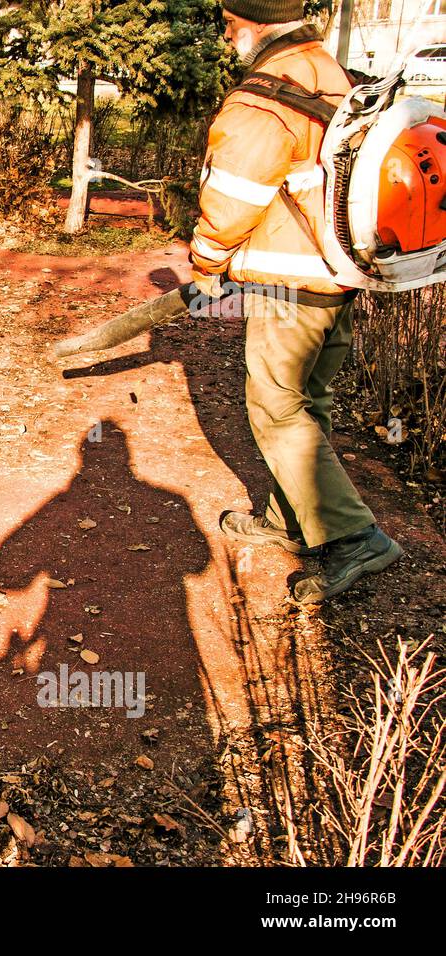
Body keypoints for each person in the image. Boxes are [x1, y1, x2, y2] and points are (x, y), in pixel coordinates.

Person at [192, 0, 401, 603]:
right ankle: (292, 519)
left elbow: (233, 197)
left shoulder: (261, 98)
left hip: (291, 280)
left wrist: (206, 258)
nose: (229, 37)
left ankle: (354, 537)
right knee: (309, 401)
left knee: (276, 409)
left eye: (229, 27)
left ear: (249, 26)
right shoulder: (328, 71)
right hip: (340, 269)